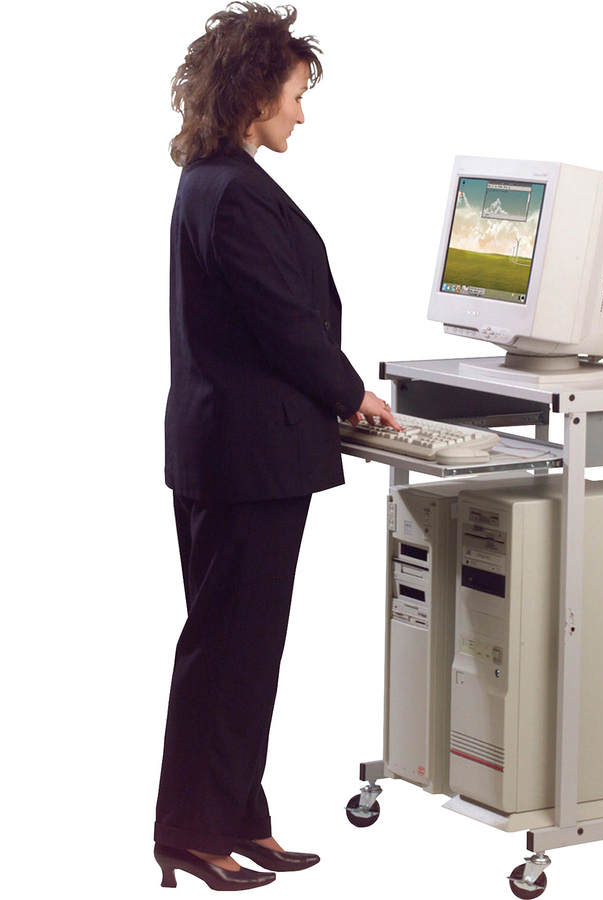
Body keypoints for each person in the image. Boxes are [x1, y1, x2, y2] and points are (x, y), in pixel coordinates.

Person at [155, 2, 400, 890]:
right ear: (256, 94)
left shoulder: (212, 180)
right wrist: (351, 394)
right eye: (296, 94)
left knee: (235, 648)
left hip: (223, 446)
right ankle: (192, 835)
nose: (302, 112)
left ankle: (237, 819)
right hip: (247, 460)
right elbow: (284, 325)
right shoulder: (231, 192)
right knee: (229, 652)